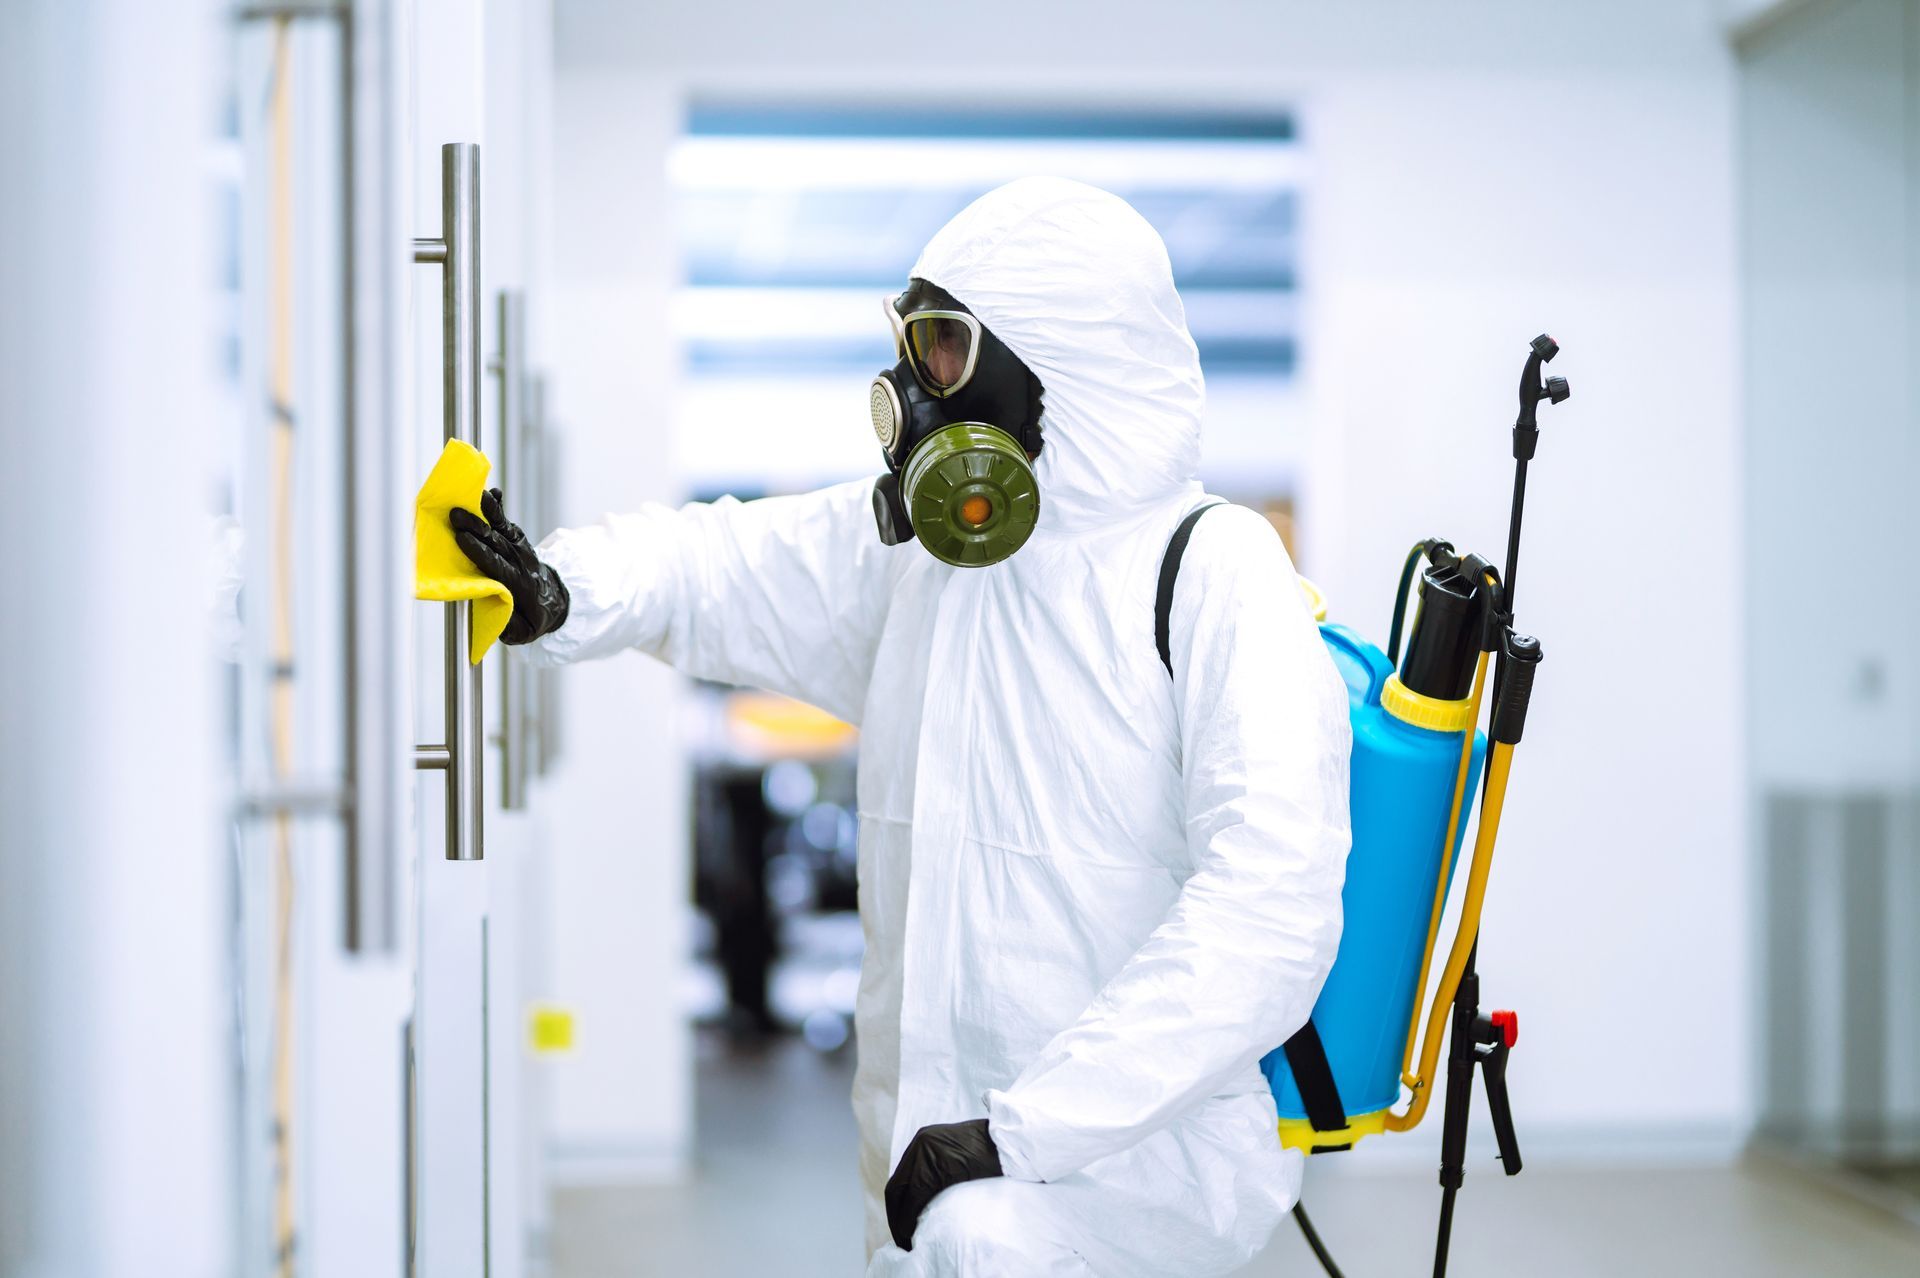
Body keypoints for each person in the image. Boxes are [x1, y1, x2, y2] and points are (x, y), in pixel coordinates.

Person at [453, 176, 1352, 1277]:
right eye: (914, 348)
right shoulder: (927, 568)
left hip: (1131, 1167)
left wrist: (1027, 1132)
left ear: (1055, 362)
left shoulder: (1214, 573)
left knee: (981, 1243)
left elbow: (1267, 911)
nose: (906, 396)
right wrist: (559, 588)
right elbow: (718, 568)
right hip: (927, 1162)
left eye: (940, 353)